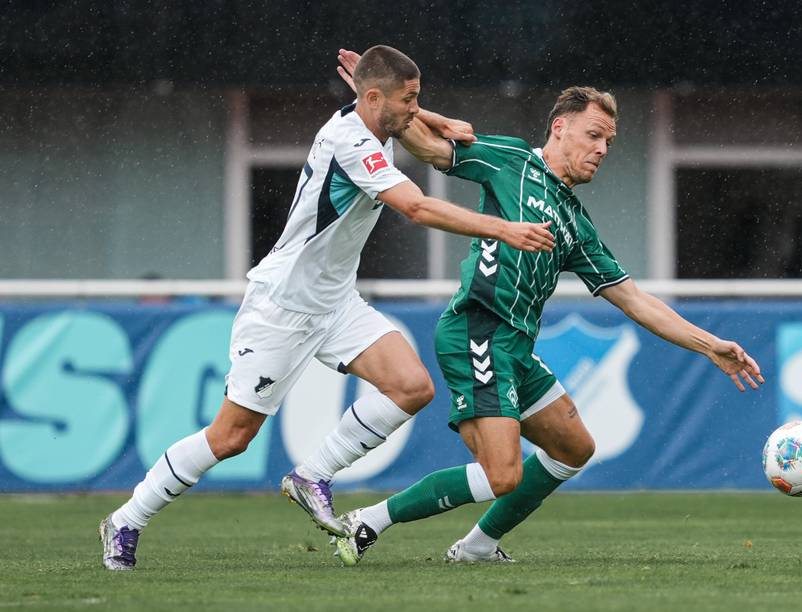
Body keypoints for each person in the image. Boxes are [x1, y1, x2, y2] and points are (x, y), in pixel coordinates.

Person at [99, 45, 555, 571]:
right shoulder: (351, 141)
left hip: (335, 301)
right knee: (231, 437)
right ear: (374, 96)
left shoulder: (369, 118)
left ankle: (312, 474)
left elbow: (428, 130)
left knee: (411, 387)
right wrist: (507, 228)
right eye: (409, 98)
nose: (415, 107)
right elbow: (416, 207)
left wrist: (426, 112)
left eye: (418, 97)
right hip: (282, 307)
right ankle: (128, 518)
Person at [331, 50, 766, 566]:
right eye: (593, 135)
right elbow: (427, 148)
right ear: (559, 128)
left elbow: (634, 300)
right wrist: (390, 101)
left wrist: (709, 344)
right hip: (479, 329)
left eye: (608, 141)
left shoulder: (576, 225)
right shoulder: (512, 160)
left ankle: (476, 546)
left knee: (573, 448)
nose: (603, 149)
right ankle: (368, 521)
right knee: (502, 475)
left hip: (516, 345)